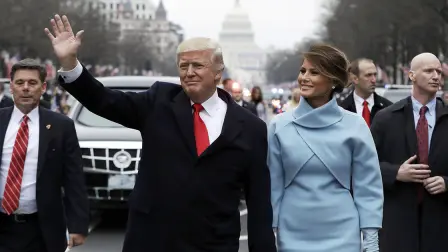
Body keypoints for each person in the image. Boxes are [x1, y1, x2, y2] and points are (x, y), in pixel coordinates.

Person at [45, 15, 276, 252]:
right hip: (152, 240)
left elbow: (258, 204)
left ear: (218, 72)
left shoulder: (251, 128)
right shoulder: (158, 102)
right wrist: (71, 64)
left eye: (197, 65)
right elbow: (104, 100)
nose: (189, 72)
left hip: (213, 243)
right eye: (183, 66)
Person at [268, 44, 383, 252]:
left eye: (314, 72)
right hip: (292, 231)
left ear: (332, 80)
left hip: (344, 233)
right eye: (302, 71)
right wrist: (270, 231)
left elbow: (368, 186)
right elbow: (273, 186)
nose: (304, 77)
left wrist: (371, 236)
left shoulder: (355, 125)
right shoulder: (278, 125)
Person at [0, 59, 89, 252]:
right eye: (20, 82)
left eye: (32, 83)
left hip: (41, 228)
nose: (25, 88)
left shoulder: (61, 126)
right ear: (11, 86)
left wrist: (78, 225)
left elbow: (74, 178)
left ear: (43, 87)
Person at [370, 52, 448, 252]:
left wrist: (446, 182)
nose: (436, 76)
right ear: (411, 75)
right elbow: (364, 167)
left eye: (439, 72)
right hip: (398, 223)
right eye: (429, 71)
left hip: (440, 223)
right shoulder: (386, 118)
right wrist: (396, 173)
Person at [340, 58, 392, 126]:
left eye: (375, 75)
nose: (374, 80)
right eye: (368, 75)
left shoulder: (388, 108)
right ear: (355, 79)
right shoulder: (342, 110)